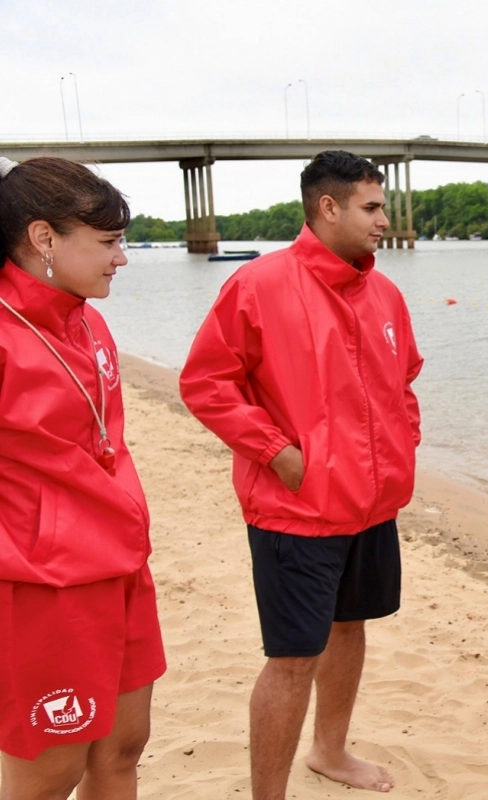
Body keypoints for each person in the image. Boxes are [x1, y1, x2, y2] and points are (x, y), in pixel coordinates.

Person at [179, 151, 421, 799]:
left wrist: (404, 449)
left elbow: (405, 384)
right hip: (296, 509)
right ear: (329, 207)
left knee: (350, 627)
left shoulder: (387, 292)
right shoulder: (258, 285)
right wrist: (279, 453)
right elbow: (205, 383)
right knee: (291, 659)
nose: (384, 219)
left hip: (372, 505)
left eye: (383, 206)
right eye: (372, 207)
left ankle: (331, 750)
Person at [0, 156, 166, 798]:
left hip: (122, 565)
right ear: (44, 239)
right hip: (42, 586)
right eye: (107, 242)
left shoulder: (89, 318)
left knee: (123, 751)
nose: (121, 258)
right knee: (49, 775)